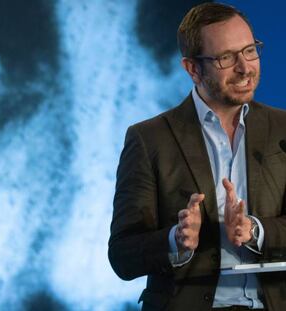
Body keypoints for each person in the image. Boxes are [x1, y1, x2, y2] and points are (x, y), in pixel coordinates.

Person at [108, 3, 286, 311]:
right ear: (192, 68)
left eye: (249, 50)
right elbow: (123, 256)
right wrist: (174, 241)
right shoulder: (149, 139)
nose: (245, 67)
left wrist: (255, 230)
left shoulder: (282, 129)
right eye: (226, 58)